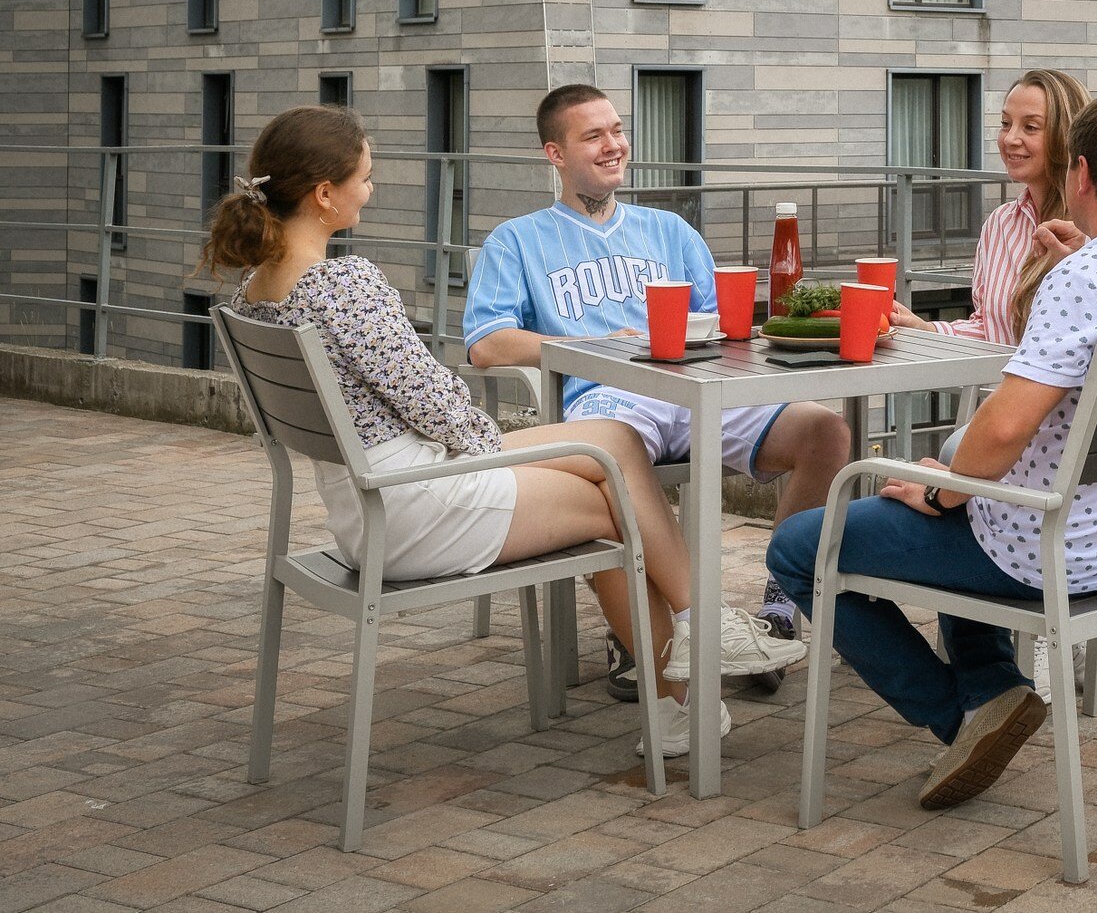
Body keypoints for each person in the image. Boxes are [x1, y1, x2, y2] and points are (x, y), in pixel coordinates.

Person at [207, 105, 722, 754]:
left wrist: (495, 445)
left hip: (363, 503)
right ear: (325, 195)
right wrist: (493, 448)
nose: (372, 189)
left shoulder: (253, 293)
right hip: (413, 503)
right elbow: (437, 404)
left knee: (612, 442)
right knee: (614, 498)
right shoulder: (344, 284)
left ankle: (700, 632)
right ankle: (688, 686)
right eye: (365, 177)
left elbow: (414, 407)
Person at [768, 90, 1097, 812]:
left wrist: (940, 489)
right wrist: (956, 484)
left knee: (798, 547)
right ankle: (991, 690)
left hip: (1043, 549)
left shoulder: (1088, 276)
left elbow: (1003, 430)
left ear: (1080, 173)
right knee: (961, 497)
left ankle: (956, 715)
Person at [463, 83, 828, 699]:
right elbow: (488, 344)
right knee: (617, 459)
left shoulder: (670, 231)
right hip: (606, 400)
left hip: (693, 390)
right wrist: (596, 343)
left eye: (617, 130)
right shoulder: (516, 240)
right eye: (593, 136)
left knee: (825, 430)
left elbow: (721, 322)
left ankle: (777, 610)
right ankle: (643, 635)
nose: (614, 145)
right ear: (556, 154)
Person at [886, 67, 1097, 703]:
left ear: (1064, 137)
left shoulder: (1094, 233)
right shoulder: (1001, 226)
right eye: (1006, 123)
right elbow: (989, 328)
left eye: (1030, 127)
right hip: (1018, 416)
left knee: (954, 458)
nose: (1011, 138)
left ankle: (1033, 621)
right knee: (957, 453)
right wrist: (923, 327)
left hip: (1071, 423)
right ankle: (999, 647)